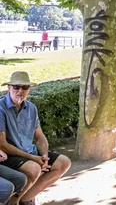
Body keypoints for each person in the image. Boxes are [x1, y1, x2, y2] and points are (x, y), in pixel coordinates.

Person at [0, 72, 71, 205]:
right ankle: (14, 201)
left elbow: (39, 137)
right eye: (16, 87)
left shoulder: (31, 108)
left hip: (29, 152)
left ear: (29, 89)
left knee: (64, 162)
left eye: (24, 87)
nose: (20, 91)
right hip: (11, 154)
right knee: (34, 168)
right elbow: (2, 144)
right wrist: (33, 158)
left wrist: (44, 156)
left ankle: (26, 198)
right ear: (9, 88)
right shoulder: (1, 108)